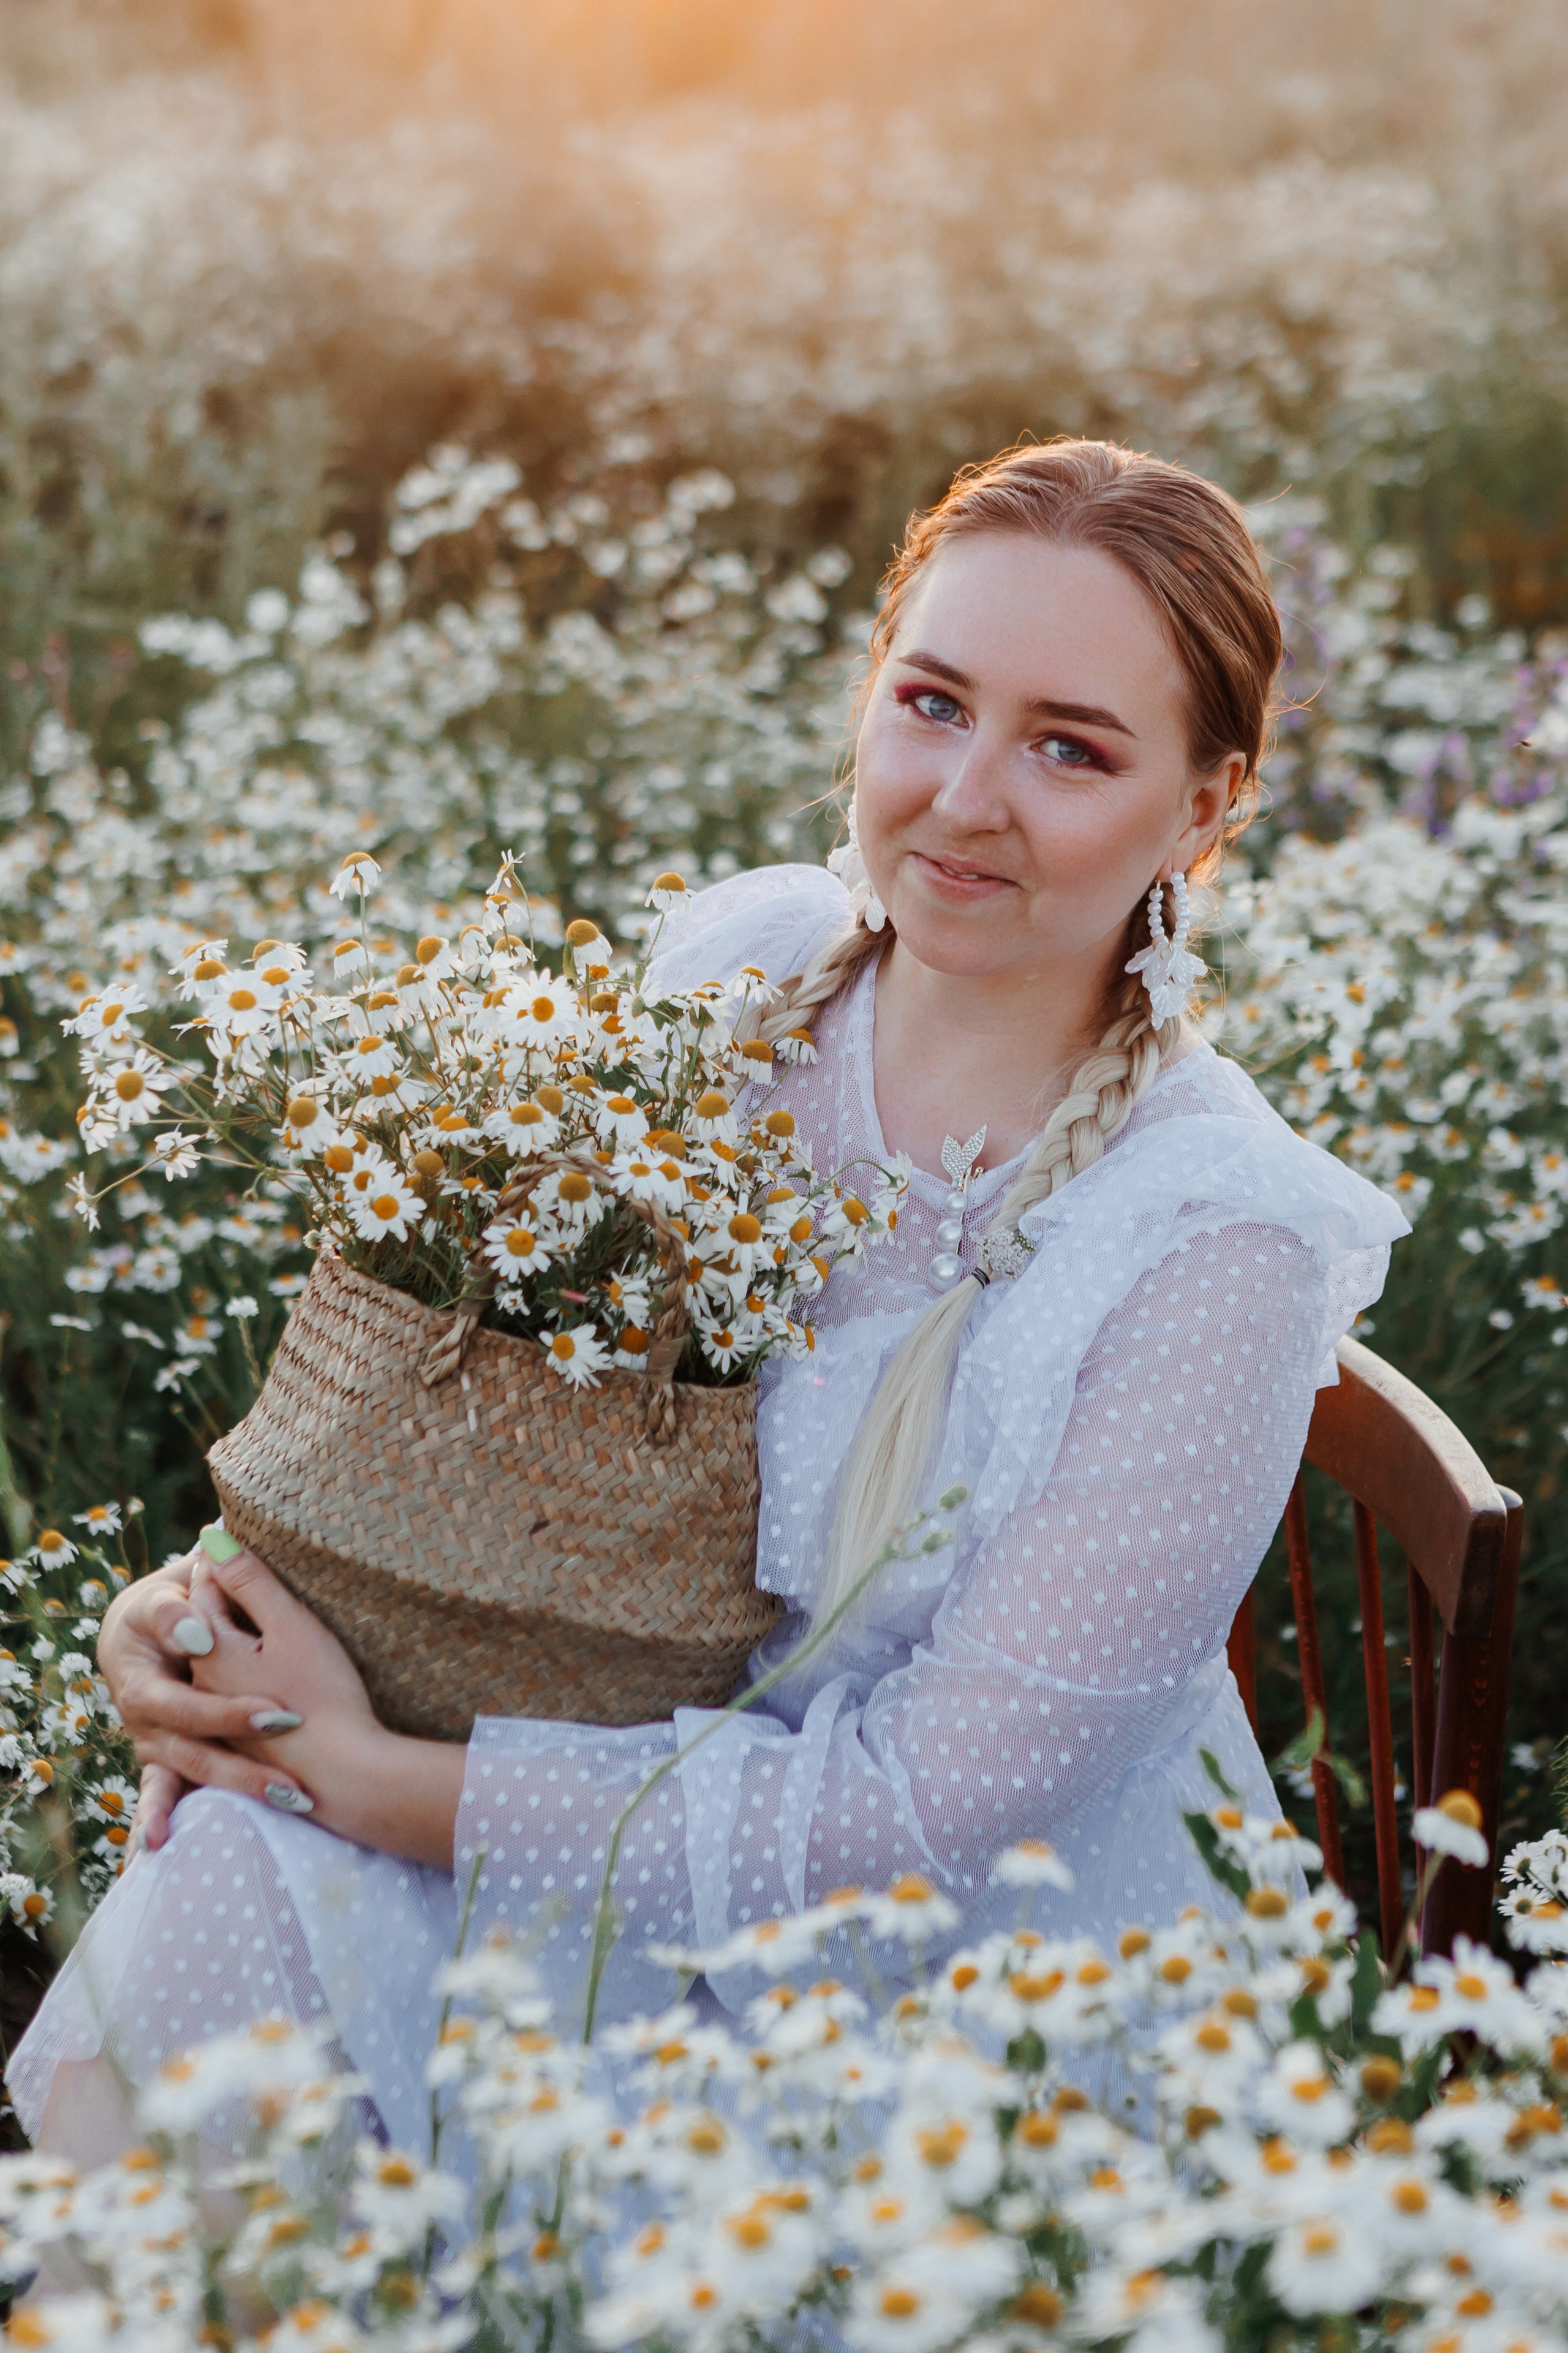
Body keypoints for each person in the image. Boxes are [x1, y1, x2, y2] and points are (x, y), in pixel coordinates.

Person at [9, 439, 1406, 2165]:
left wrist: (361, 1776)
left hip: (949, 1992)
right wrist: (212, 1633)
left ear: (1206, 806)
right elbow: (495, 1441)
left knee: (285, 1862)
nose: (968, 795)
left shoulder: (1212, 1243)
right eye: (933, 701)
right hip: (605, 1803)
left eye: (1070, 748)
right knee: (216, 1869)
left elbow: (913, 1820)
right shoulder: (738, 986)